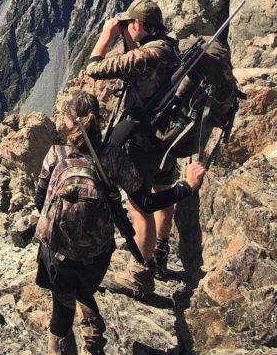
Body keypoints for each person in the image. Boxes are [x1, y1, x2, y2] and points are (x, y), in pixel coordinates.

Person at [35, 90, 206, 355]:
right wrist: (186, 187)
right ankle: (93, 337)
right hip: (97, 255)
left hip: (56, 251)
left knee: (62, 308)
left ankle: (69, 343)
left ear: (69, 122)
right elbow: (146, 203)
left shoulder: (56, 153)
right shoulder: (113, 156)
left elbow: (39, 200)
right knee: (84, 289)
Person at [83, 0, 180, 297]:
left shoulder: (142, 57)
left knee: (140, 207)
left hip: (142, 141)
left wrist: (107, 35)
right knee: (162, 193)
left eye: (129, 23)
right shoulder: (170, 48)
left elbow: (94, 68)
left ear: (137, 24)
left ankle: (140, 274)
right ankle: (160, 256)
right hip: (168, 136)